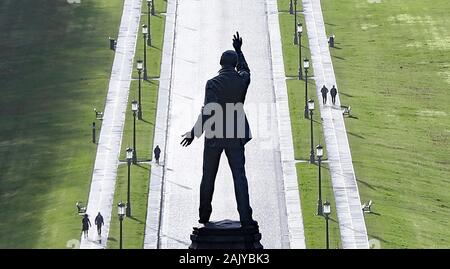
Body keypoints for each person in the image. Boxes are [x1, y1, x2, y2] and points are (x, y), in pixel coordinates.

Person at [180, 32, 257, 227]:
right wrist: (240, 51)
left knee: (208, 176)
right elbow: (246, 70)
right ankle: (245, 216)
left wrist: (193, 133)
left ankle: (204, 215)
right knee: (239, 176)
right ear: (233, 64)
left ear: (220, 64)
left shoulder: (213, 84)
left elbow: (208, 111)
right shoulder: (241, 81)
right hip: (235, 133)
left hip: (215, 134)